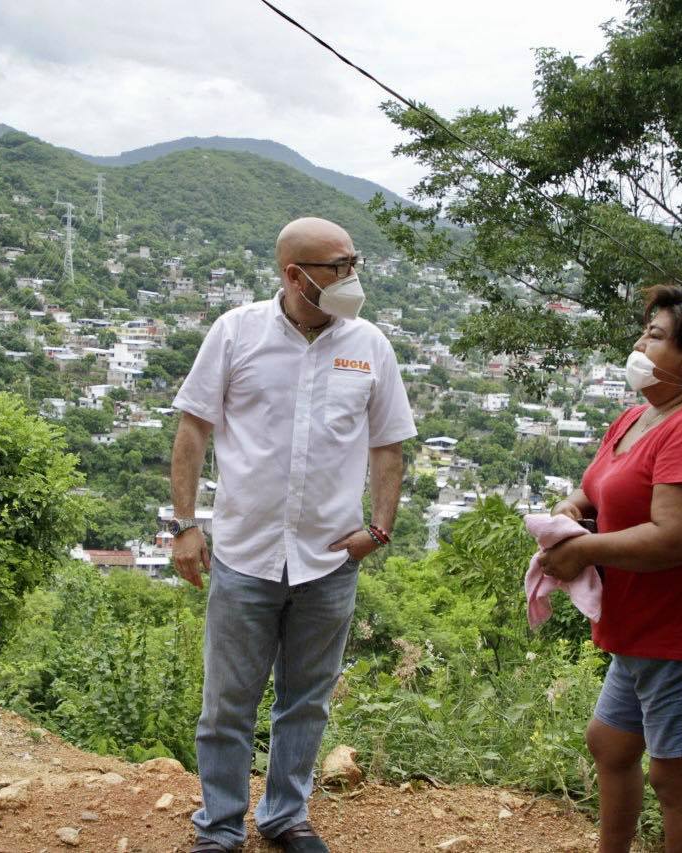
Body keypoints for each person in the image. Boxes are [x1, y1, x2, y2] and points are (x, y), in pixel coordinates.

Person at [170, 217, 417, 853]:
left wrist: (379, 529)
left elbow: (388, 447)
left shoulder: (371, 345)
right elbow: (192, 432)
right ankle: (220, 827)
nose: (351, 278)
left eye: (352, 263)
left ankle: (285, 815)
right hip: (246, 556)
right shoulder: (236, 333)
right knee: (227, 706)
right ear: (294, 275)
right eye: (337, 266)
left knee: (306, 702)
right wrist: (185, 526)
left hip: (330, 561)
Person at [536, 285, 682, 853]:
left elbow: (674, 539)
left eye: (655, 335)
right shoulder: (642, 417)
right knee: (610, 744)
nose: (639, 344)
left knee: (678, 783)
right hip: (642, 627)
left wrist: (583, 550)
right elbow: (600, 490)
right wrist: (574, 510)